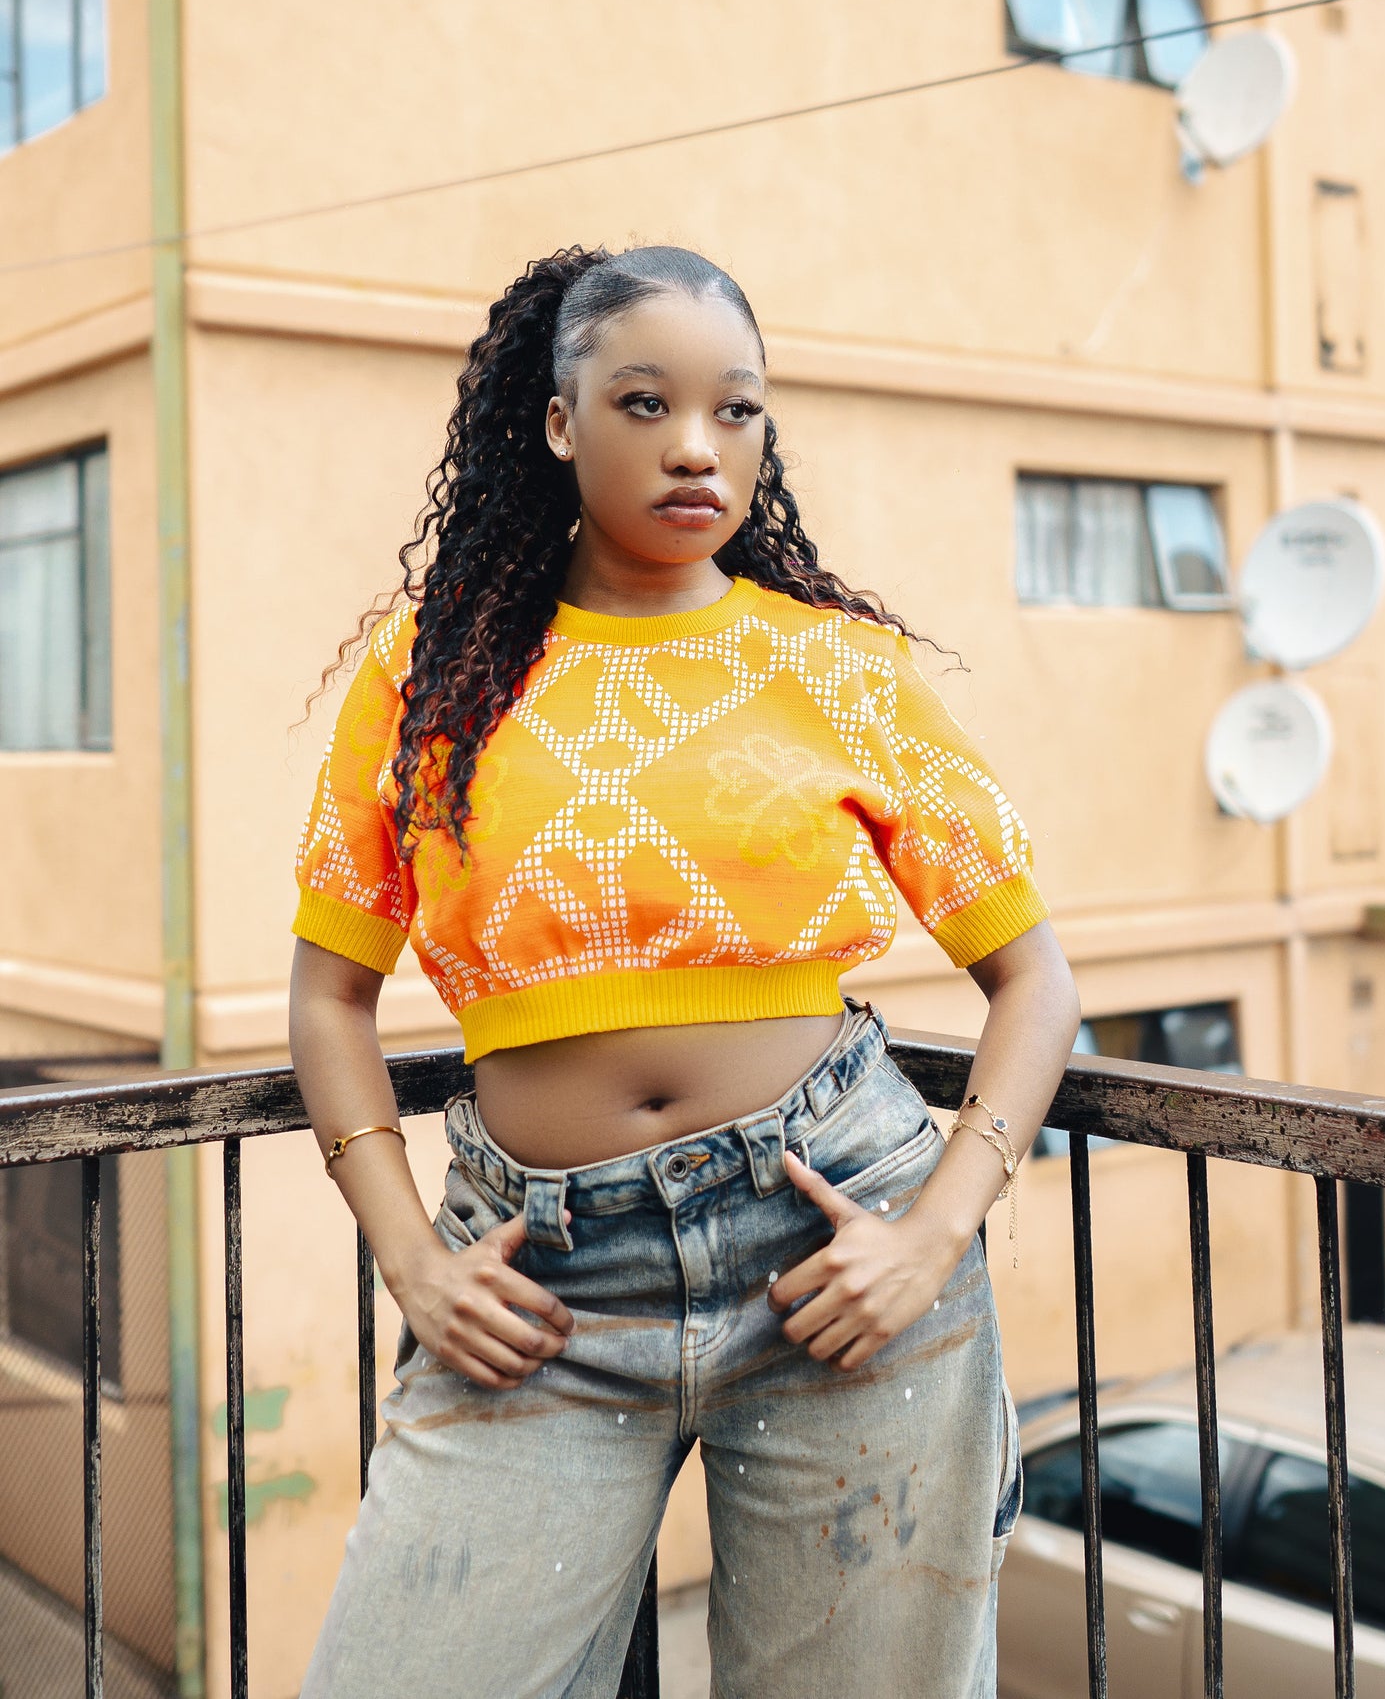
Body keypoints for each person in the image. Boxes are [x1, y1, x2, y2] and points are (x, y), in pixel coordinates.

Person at [287, 243, 1081, 1699]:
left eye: (737, 410)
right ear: (558, 421)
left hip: (836, 1265)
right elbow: (329, 993)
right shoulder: (431, 672)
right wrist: (409, 1257)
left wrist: (936, 1232)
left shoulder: (838, 669)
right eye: (644, 404)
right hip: (536, 1296)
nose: (697, 447)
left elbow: (1033, 982)